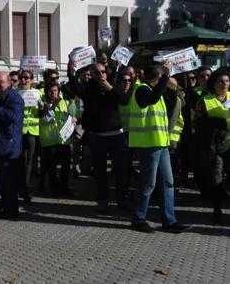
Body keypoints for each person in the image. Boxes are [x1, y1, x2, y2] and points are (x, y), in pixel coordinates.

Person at [128, 61, 191, 234]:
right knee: (148, 183)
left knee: (168, 182)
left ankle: (169, 221)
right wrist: (165, 76)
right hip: (147, 144)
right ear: (156, 77)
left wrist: (174, 88)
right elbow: (152, 98)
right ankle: (138, 219)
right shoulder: (141, 89)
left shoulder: (156, 91)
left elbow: (173, 104)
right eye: (161, 78)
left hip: (160, 144)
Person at [67, 61, 130, 212]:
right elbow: (76, 87)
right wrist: (71, 73)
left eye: (103, 72)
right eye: (97, 73)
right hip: (97, 136)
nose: (101, 75)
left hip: (116, 135)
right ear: (92, 75)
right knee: (100, 172)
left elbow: (124, 100)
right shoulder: (89, 89)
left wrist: (110, 88)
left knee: (121, 170)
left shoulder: (113, 85)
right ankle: (103, 200)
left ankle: (122, 200)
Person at [193, 70, 230, 224]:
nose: (224, 84)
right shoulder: (204, 101)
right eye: (221, 81)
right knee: (216, 179)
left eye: (227, 81)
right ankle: (217, 210)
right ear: (213, 84)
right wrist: (216, 124)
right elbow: (197, 123)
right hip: (215, 147)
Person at [0, 71, 24, 219]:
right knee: (3, 179)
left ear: (9, 83)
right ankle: (5, 204)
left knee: (9, 181)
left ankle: (11, 212)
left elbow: (12, 116)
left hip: (9, 147)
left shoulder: (14, 98)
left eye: (0, 82)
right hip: (1, 145)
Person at [38, 81, 73, 196]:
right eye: (51, 91)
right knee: (51, 167)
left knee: (66, 166)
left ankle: (64, 187)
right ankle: (54, 188)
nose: (54, 93)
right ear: (47, 92)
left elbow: (72, 116)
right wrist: (53, 106)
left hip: (63, 139)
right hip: (49, 140)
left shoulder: (64, 102)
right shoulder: (42, 103)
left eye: (56, 91)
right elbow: (45, 119)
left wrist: (72, 117)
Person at [18, 70, 38, 203]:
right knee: (19, 160)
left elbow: (43, 113)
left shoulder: (38, 93)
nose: (24, 80)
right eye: (22, 78)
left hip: (32, 131)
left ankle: (24, 189)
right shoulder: (16, 93)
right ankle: (19, 188)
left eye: (27, 78)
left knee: (29, 161)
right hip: (19, 131)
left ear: (31, 80)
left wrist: (42, 106)